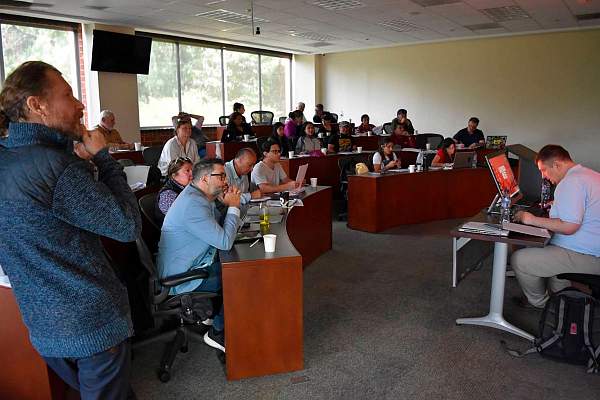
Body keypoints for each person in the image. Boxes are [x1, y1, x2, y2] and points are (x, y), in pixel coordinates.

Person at [0, 61, 141, 398]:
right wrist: (104, 158)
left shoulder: (12, 158)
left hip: (43, 323)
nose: (80, 105)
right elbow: (126, 225)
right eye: (68, 95)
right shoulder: (55, 166)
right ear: (36, 105)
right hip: (90, 324)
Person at [157, 159, 242, 353]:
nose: (225, 181)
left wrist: (225, 204)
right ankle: (218, 333)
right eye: (221, 176)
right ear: (205, 178)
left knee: (238, 267)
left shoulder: (199, 196)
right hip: (180, 278)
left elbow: (218, 228)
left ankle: (212, 314)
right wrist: (233, 207)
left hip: (195, 264)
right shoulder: (193, 205)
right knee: (238, 276)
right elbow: (224, 241)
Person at [511, 145, 600, 309]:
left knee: (520, 260)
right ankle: (563, 301)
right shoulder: (588, 175)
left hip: (589, 256)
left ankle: (542, 304)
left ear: (557, 164)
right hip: (592, 249)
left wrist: (530, 219)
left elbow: (569, 227)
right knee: (547, 257)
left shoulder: (570, 182)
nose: (543, 176)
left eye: (544, 170)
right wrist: (559, 204)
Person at [155, 157, 193, 222]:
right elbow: (182, 219)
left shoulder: (188, 187)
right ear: (174, 175)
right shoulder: (167, 195)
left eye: (192, 170)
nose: (192, 174)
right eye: (187, 171)